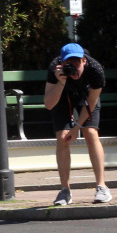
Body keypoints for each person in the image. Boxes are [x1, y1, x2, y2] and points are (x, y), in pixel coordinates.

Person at [44, 43, 111, 205]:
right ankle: (65, 190)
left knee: (90, 132)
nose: (73, 68)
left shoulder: (95, 70)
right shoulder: (55, 68)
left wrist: (77, 128)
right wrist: (60, 82)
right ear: (62, 63)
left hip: (86, 96)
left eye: (77, 63)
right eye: (69, 64)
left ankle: (101, 186)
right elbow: (49, 104)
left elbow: (92, 101)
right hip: (63, 95)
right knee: (62, 137)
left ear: (84, 61)